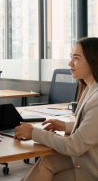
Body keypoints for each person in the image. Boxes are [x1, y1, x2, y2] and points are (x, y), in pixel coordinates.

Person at [14, 37, 98, 181]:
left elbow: (75, 146)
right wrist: (65, 126)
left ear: (93, 61)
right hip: (84, 158)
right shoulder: (89, 89)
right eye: (71, 57)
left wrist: (34, 133)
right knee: (47, 161)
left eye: (76, 58)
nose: (70, 63)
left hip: (91, 168)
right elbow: (92, 128)